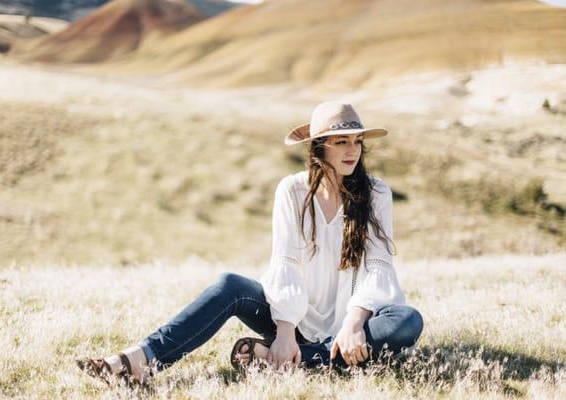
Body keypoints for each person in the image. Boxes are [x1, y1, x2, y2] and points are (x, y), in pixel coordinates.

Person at [76, 101, 424, 389]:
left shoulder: (376, 192)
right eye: (341, 141)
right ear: (320, 147)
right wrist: (285, 331)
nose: (353, 150)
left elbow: (379, 267)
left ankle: (304, 359)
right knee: (230, 285)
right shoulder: (292, 190)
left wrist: (352, 325)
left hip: (354, 324)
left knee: (407, 321)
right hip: (293, 319)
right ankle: (139, 361)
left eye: (357, 140)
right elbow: (284, 261)